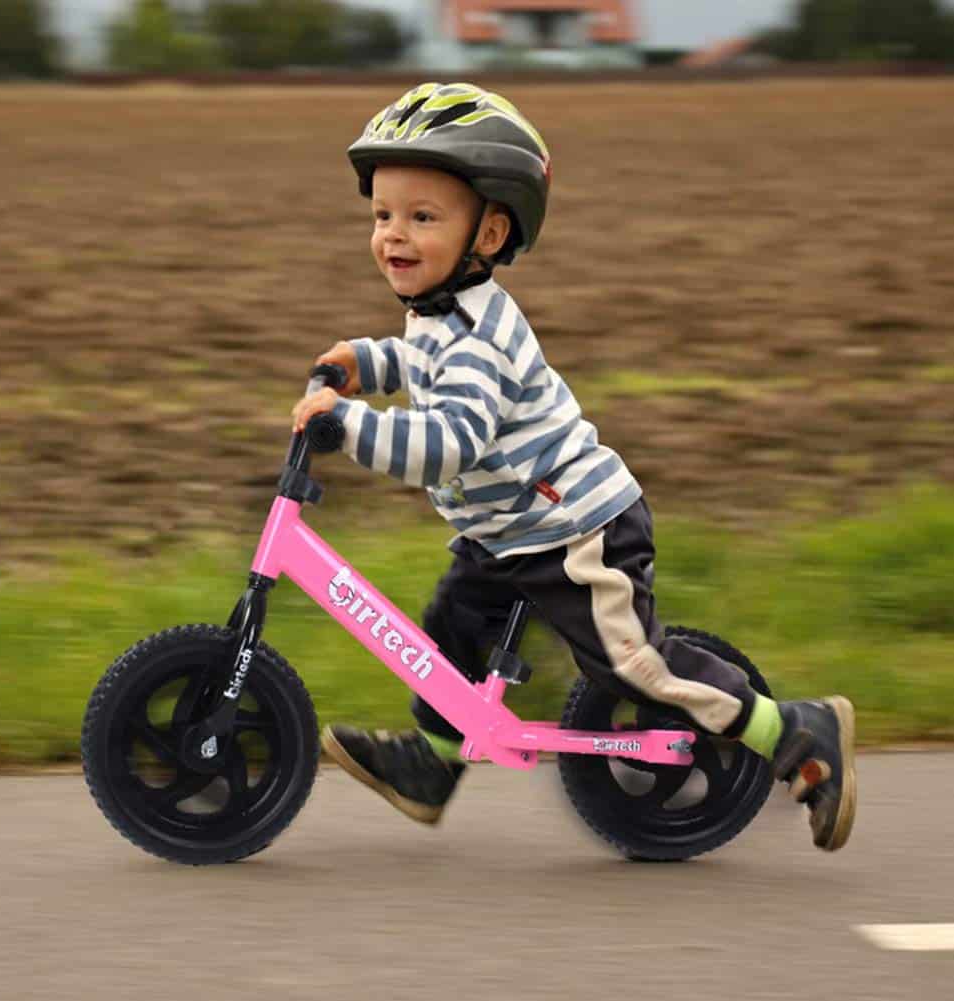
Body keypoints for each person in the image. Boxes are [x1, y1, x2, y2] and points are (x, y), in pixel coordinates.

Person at [290, 82, 856, 851]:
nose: (394, 234)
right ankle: (433, 764)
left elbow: (449, 439)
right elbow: (421, 361)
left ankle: (796, 729)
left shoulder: (481, 337)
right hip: (508, 527)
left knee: (637, 667)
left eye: (422, 217)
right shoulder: (440, 313)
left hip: (575, 529)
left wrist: (347, 425)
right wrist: (368, 361)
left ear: (488, 233)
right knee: (451, 629)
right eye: (382, 215)